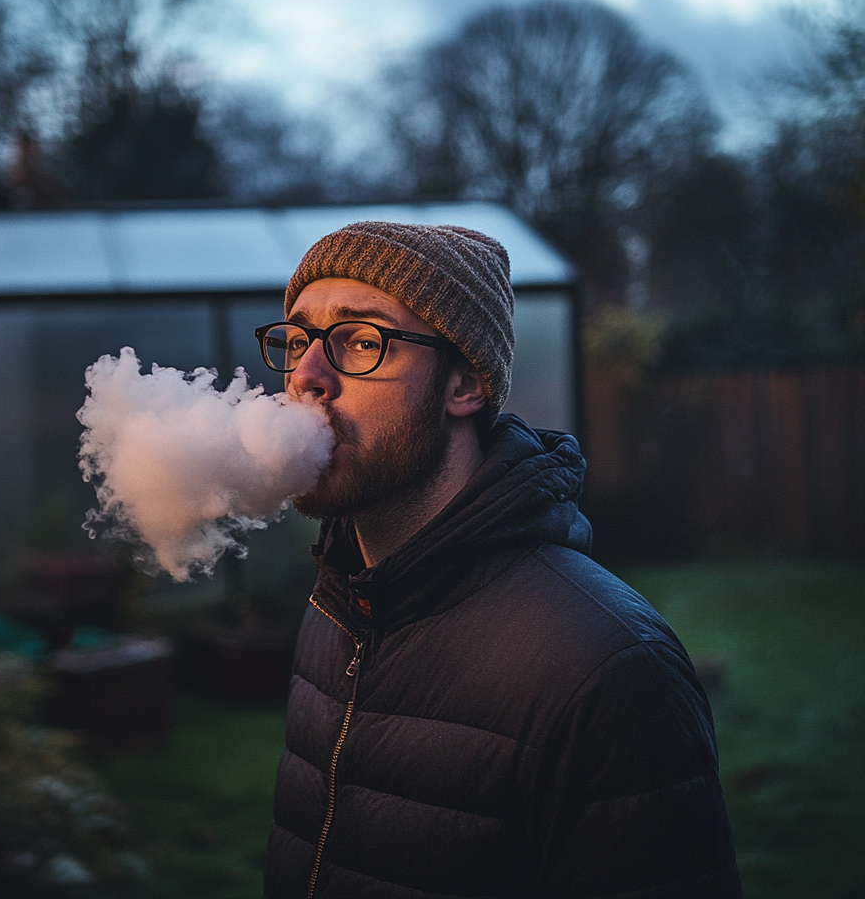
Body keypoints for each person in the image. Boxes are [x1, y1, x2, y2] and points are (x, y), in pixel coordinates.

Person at [258, 221, 742, 899]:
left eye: (361, 341)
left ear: (464, 386)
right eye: (298, 340)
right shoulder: (334, 608)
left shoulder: (609, 668)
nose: (307, 377)